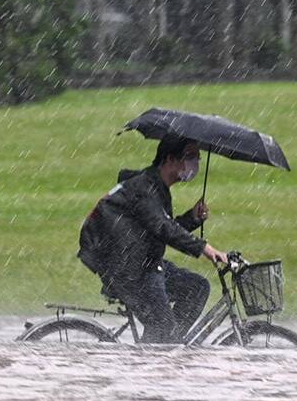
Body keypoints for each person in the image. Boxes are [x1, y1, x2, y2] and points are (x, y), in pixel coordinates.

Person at [78, 134, 229, 343]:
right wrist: (206, 249)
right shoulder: (145, 188)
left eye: (197, 158)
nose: (195, 163)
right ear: (169, 159)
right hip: (128, 270)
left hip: (144, 263)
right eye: (189, 156)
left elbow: (159, 229)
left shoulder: (158, 188)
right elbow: (162, 227)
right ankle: (153, 356)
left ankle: (166, 346)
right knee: (163, 325)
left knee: (197, 288)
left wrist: (192, 219)